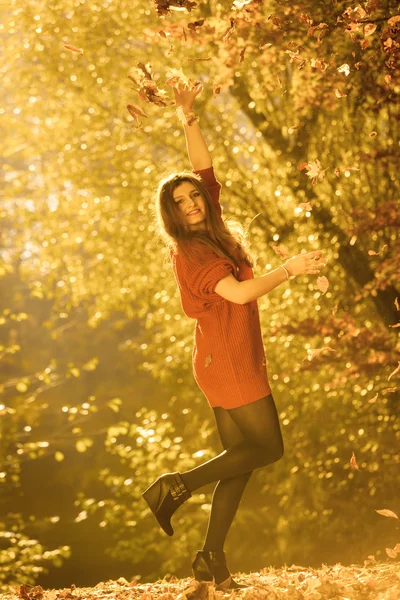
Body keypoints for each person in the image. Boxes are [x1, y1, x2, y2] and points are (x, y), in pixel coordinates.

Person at [142, 79, 327, 591]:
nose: (192, 202)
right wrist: (288, 269)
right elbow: (241, 296)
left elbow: (204, 168)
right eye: (180, 201)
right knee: (268, 448)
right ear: (172, 214)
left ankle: (210, 558)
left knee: (238, 465)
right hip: (229, 361)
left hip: (221, 357)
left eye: (194, 196)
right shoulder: (193, 252)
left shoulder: (212, 226)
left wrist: (188, 114)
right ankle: (174, 487)